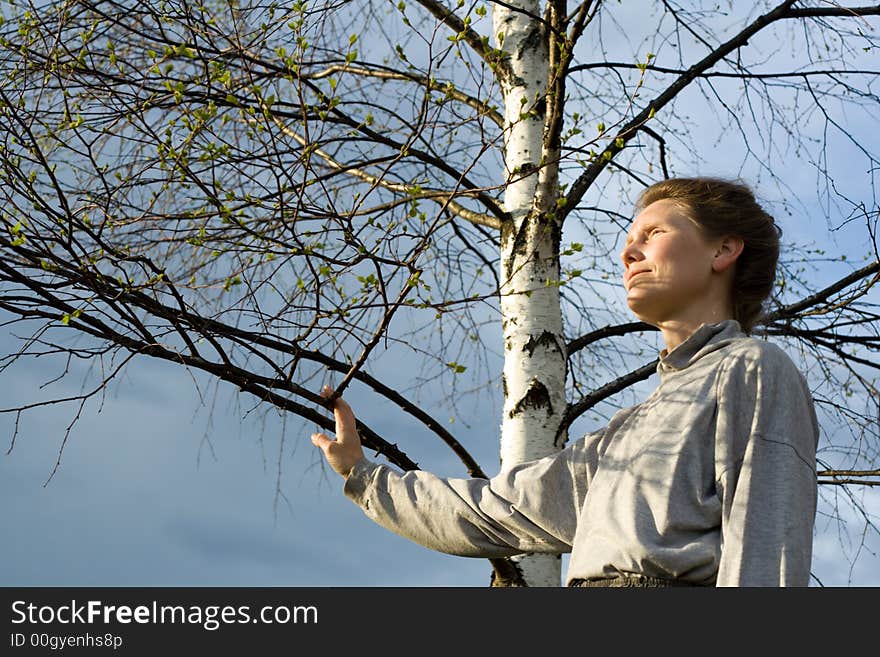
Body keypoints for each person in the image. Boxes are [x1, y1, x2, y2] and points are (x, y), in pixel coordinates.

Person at [311, 177, 819, 587]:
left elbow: (767, 543)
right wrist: (364, 477)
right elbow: (497, 510)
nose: (629, 253)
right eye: (628, 241)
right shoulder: (626, 433)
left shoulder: (752, 369)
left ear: (723, 249)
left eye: (653, 234)